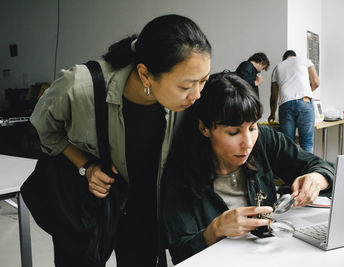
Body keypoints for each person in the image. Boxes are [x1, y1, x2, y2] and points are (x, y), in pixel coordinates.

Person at [30, 14, 211, 267]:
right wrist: (86, 166)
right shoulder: (80, 87)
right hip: (89, 208)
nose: (197, 95)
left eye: (203, 81)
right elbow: (44, 129)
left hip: (145, 210)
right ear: (145, 74)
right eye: (186, 86)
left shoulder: (187, 101)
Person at [161, 71, 334, 265]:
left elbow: (323, 166)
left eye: (252, 127)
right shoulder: (179, 171)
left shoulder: (265, 139)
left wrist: (317, 178)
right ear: (204, 128)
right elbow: (181, 253)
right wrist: (216, 229)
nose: (247, 143)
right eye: (233, 132)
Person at [268, 50, 320, 153]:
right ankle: (308, 169)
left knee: (288, 144)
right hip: (305, 102)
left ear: (283, 57)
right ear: (294, 56)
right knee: (307, 143)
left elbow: (274, 97)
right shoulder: (305, 60)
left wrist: (272, 114)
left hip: (285, 104)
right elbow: (316, 82)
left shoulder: (277, 67)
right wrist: (305, 93)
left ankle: (291, 169)